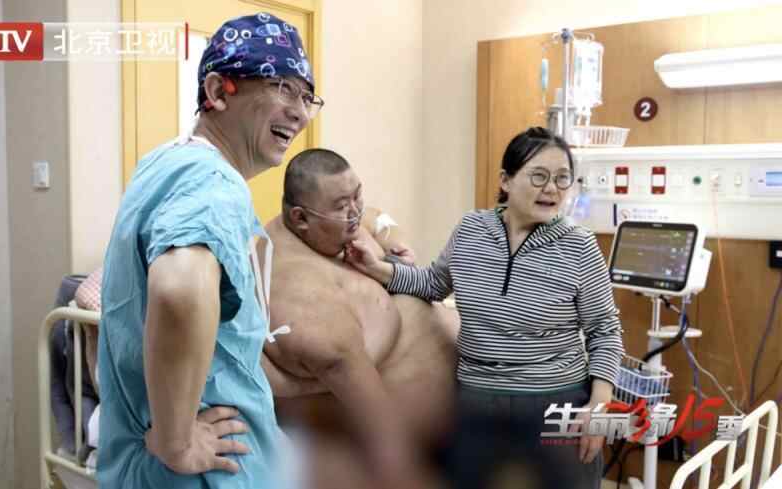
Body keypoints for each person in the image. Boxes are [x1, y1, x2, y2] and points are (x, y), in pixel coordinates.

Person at [96, 13, 322, 489]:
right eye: (283, 87)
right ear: (219, 91)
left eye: (307, 97)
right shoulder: (214, 182)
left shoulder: (163, 162)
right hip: (207, 473)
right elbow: (180, 289)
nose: (300, 113)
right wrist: (177, 442)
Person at [345, 127, 625, 489]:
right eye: (539, 176)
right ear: (506, 181)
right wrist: (376, 268)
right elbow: (433, 283)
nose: (552, 189)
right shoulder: (471, 230)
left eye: (562, 178)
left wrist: (599, 405)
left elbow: (605, 330)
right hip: (477, 401)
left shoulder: (579, 246)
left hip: (554, 402)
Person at [260, 148, 459, 488]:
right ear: (300, 218)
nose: (354, 212)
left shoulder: (337, 226)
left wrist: (395, 245)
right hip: (400, 448)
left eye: (357, 196)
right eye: (342, 205)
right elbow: (387, 440)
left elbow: (378, 219)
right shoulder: (299, 296)